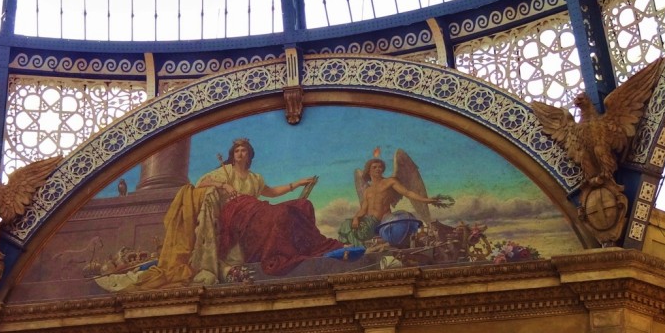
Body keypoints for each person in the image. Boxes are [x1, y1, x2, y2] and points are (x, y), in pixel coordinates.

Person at [136, 139, 344, 287]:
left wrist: (296, 184)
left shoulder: (255, 178)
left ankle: (310, 247)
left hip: (255, 209)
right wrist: (223, 186)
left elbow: (271, 192)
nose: (240, 154)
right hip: (235, 214)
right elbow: (201, 183)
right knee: (273, 214)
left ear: (249, 155)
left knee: (298, 207)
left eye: (244, 151)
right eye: (237, 151)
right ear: (232, 155)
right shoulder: (225, 172)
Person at [340, 156, 442, 246]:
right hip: (369, 222)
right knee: (346, 225)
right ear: (369, 171)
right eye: (374, 167)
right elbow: (363, 209)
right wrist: (356, 218)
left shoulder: (389, 182)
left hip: (385, 220)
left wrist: (426, 200)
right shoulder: (367, 190)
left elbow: (407, 193)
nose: (378, 169)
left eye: (380, 167)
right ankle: (356, 248)